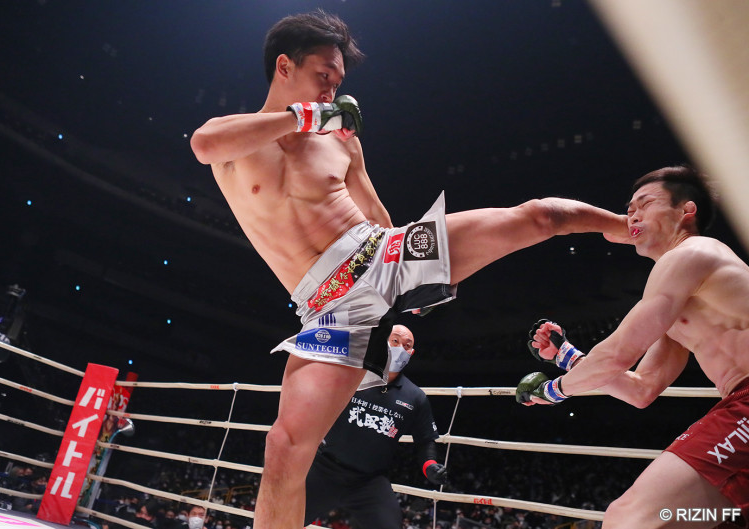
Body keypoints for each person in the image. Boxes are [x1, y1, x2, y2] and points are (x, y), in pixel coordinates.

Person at [190, 10, 628, 529]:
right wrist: (304, 117)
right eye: (323, 75)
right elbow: (203, 145)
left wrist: (419, 282)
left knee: (540, 217)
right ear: (285, 66)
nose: (332, 91)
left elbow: (377, 216)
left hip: (383, 252)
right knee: (284, 448)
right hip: (329, 305)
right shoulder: (234, 138)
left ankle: (633, 229)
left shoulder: (341, 140)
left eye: (337, 82)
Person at [517, 166, 749, 528]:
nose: (632, 215)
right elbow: (641, 389)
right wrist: (568, 357)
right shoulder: (679, 295)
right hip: (739, 404)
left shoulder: (693, 254)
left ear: (686, 210)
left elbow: (616, 355)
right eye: (629, 209)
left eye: (645, 204)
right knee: (706, 520)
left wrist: (553, 391)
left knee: (630, 518)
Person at [304, 325, 447, 528]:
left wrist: (430, 466)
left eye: (407, 346)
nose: (400, 348)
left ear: (411, 353)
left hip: (369, 481)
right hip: (325, 469)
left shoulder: (415, 397)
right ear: (382, 341)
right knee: (281, 519)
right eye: (395, 341)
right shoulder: (351, 374)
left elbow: (425, 440)